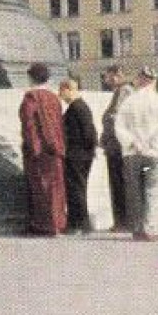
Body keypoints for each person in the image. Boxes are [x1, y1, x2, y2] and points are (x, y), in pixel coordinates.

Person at [113, 66, 158, 241]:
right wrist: (152, 143)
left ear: (139, 80)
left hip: (132, 153)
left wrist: (133, 143)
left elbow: (119, 126)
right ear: (153, 81)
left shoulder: (128, 101)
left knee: (134, 191)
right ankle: (152, 228)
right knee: (154, 190)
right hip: (156, 154)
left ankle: (137, 228)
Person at [19, 61, 68, 236]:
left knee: (41, 188)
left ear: (31, 77)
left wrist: (33, 148)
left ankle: (45, 225)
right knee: (56, 189)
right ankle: (58, 224)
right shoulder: (54, 98)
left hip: (39, 151)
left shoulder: (31, 98)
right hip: (56, 149)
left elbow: (29, 125)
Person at [59, 77, 97, 233]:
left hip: (78, 155)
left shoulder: (78, 107)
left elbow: (89, 133)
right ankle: (75, 223)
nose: (60, 95)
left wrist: (86, 151)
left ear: (68, 89)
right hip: (80, 154)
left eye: (61, 91)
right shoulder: (79, 107)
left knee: (77, 189)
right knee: (75, 188)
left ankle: (82, 223)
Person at [99, 65, 132, 230]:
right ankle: (122, 220)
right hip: (115, 145)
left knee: (119, 184)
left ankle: (123, 221)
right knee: (118, 184)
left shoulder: (124, 91)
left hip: (118, 146)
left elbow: (115, 117)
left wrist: (105, 135)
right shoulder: (120, 92)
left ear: (118, 75)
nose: (107, 80)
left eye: (109, 76)